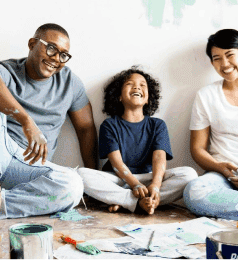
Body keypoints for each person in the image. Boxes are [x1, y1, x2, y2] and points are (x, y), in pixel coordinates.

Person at [0, 24, 98, 235]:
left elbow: (86, 128)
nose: (56, 58)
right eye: (51, 48)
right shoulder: (8, 70)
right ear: (32, 44)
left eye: (64, 55)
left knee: (73, 186)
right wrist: (26, 121)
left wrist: (95, 179)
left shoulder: (70, 83)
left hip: (30, 168)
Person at [77, 68, 197, 214]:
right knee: (81, 175)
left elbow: (159, 158)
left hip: (148, 179)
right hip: (119, 180)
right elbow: (116, 163)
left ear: (147, 99)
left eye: (142, 85)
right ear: (119, 96)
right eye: (129, 84)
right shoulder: (109, 125)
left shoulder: (157, 125)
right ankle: (134, 201)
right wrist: (135, 185)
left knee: (189, 174)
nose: (137, 87)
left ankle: (136, 200)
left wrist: (156, 185)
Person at [183, 29, 238, 221]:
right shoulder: (206, 95)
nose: (224, 64)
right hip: (222, 176)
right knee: (193, 192)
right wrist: (221, 167)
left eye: (230, 55)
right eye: (217, 58)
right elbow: (197, 149)